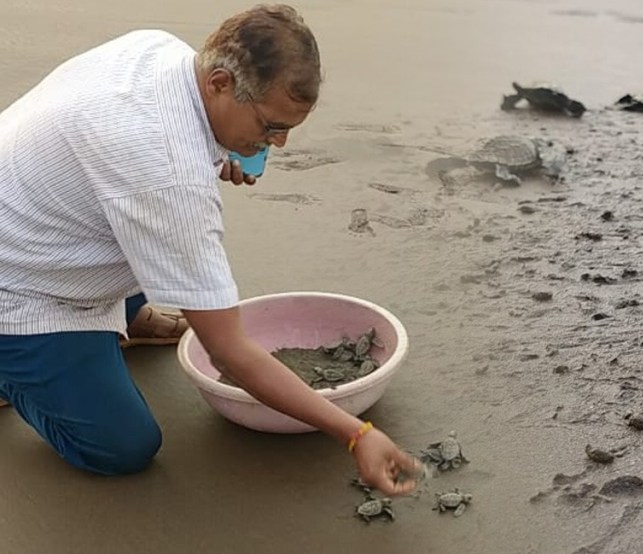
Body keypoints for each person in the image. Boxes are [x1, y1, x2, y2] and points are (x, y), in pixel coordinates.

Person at [0, 4, 421, 494]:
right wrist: (356, 434)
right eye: (270, 127)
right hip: (21, 286)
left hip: (35, 206)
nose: (279, 144)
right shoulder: (167, 177)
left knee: (139, 221)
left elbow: (150, 149)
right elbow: (228, 351)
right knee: (124, 447)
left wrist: (235, 144)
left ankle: (125, 315)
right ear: (220, 82)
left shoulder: (161, 51)